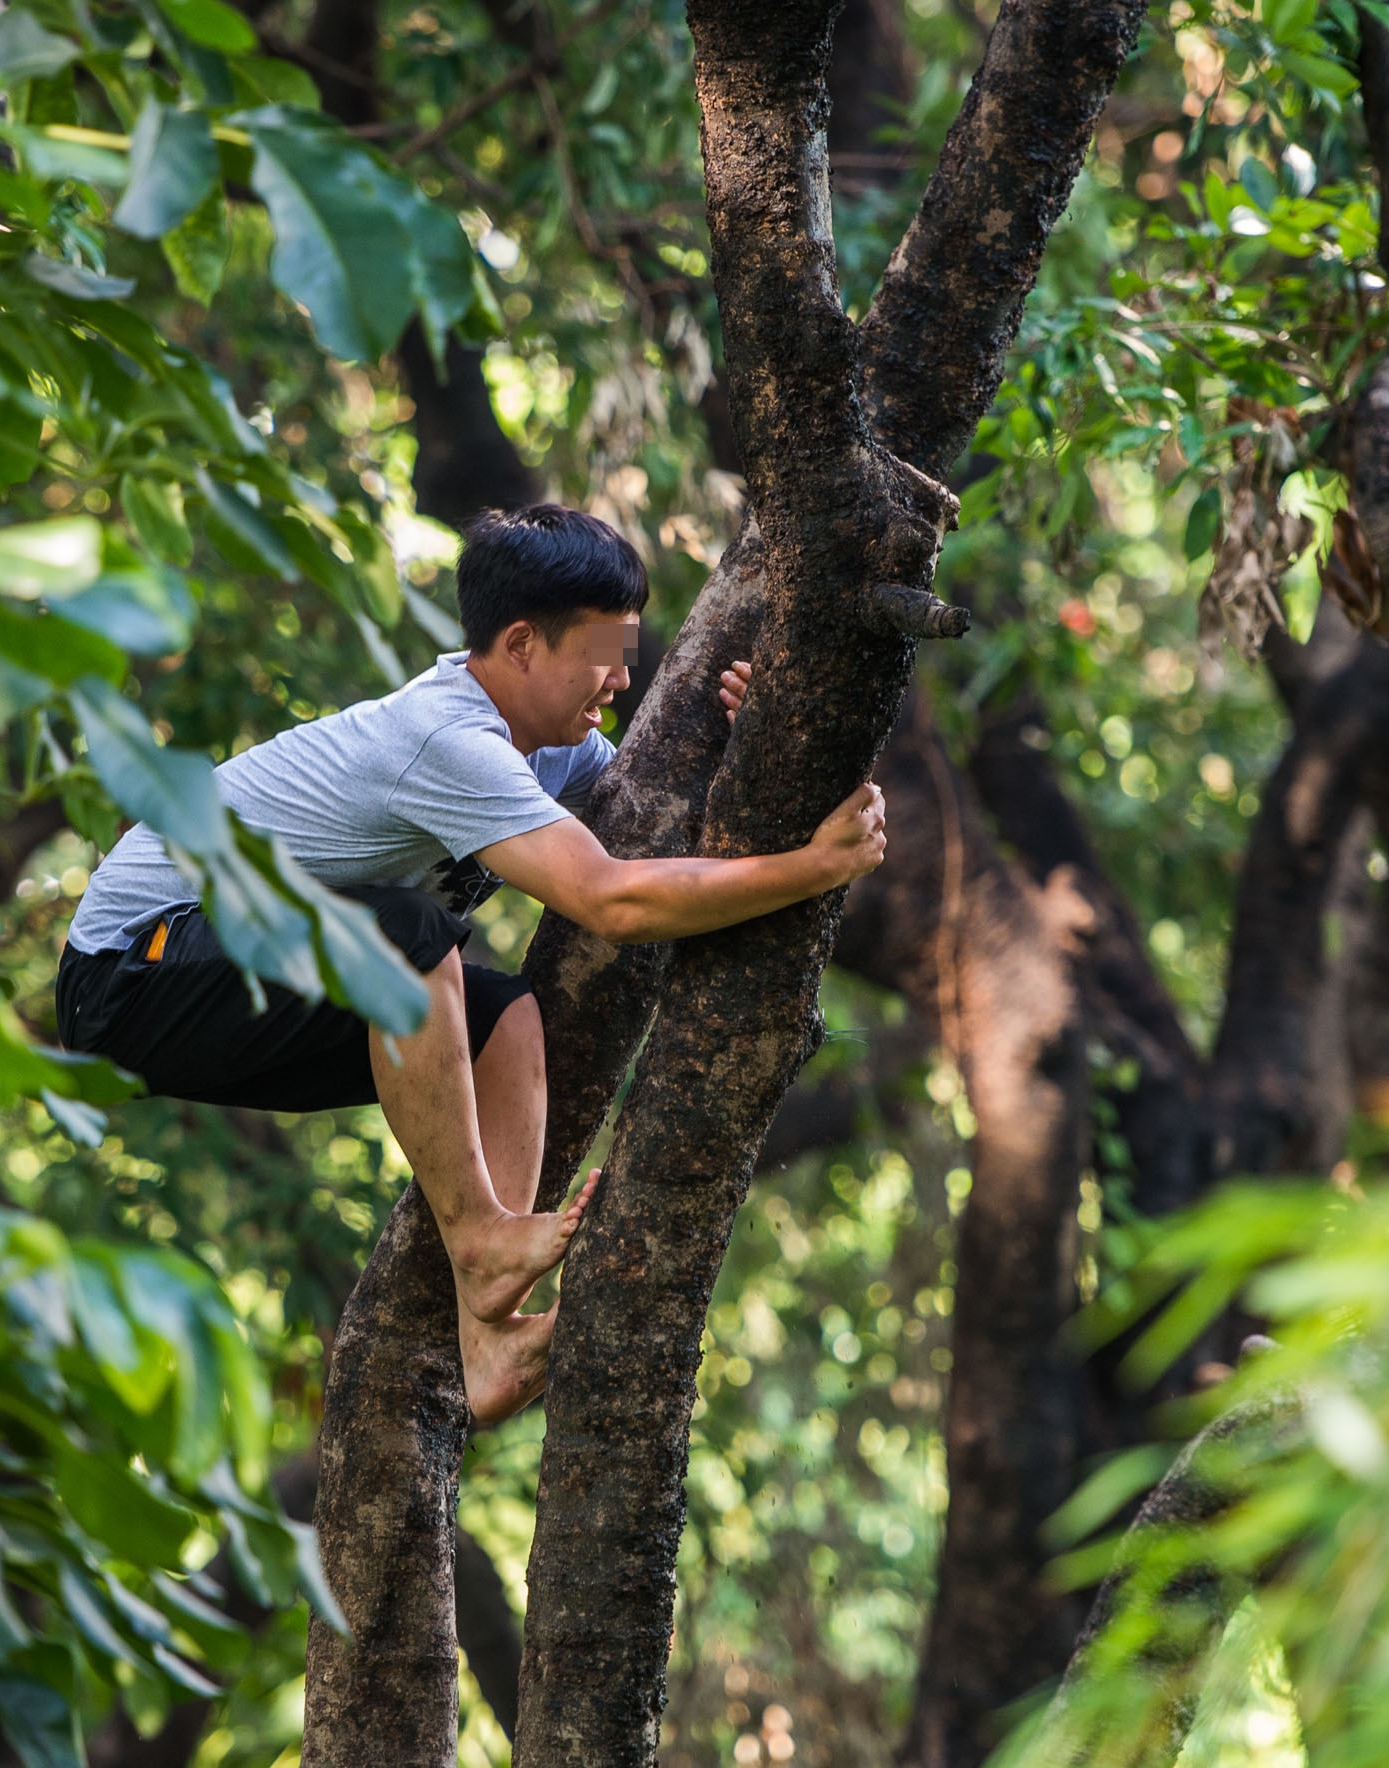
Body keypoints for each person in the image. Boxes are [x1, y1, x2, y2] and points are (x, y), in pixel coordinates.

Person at [55, 505, 887, 1424]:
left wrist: (752, 737)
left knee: (504, 1013)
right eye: (604, 652)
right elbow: (611, 898)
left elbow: (643, 823)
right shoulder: (448, 737)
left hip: (239, 979)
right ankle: (484, 1239)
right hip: (130, 972)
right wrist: (812, 869)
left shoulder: (550, 750)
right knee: (413, 935)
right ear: (523, 644)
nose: (619, 679)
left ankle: (490, 1334)